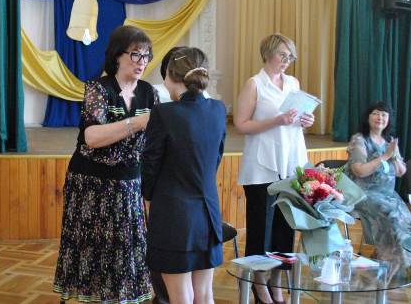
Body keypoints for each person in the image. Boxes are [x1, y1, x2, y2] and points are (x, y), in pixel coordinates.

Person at [53, 25, 157, 303]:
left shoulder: (149, 93)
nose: (142, 61)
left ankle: (122, 297)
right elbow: (93, 137)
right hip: (91, 181)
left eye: (146, 55)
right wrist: (137, 123)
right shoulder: (99, 89)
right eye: (135, 54)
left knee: (126, 247)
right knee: (90, 246)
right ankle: (92, 295)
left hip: (129, 182)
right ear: (117, 55)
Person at [142, 47, 226, 304]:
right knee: (204, 294)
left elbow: (150, 167)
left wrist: (148, 201)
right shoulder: (218, 109)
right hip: (208, 214)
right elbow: (216, 158)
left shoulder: (164, 113)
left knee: (180, 296)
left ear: (170, 75)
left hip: (173, 214)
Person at [234, 34, 314, 304]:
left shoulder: (293, 83)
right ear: (267, 53)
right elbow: (241, 124)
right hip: (262, 167)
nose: (286, 61)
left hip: (290, 163)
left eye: (290, 56)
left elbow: (295, 122)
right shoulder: (254, 84)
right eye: (283, 55)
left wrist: (305, 120)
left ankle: (277, 281)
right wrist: (277, 120)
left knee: (284, 229)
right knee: (261, 229)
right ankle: (258, 284)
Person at [346, 101, 411, 282]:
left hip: (388, 195)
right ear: (368, 117)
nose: (380, 118)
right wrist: (385, 156)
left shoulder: (390, 142)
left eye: (384, 115)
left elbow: (401, 172)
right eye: (376, 113)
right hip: (364, 193)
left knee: (405, 218)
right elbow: (359, 171)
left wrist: (394, 156)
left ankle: (385, 258)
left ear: (388, 120)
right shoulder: (359, 140)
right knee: (393, 216)